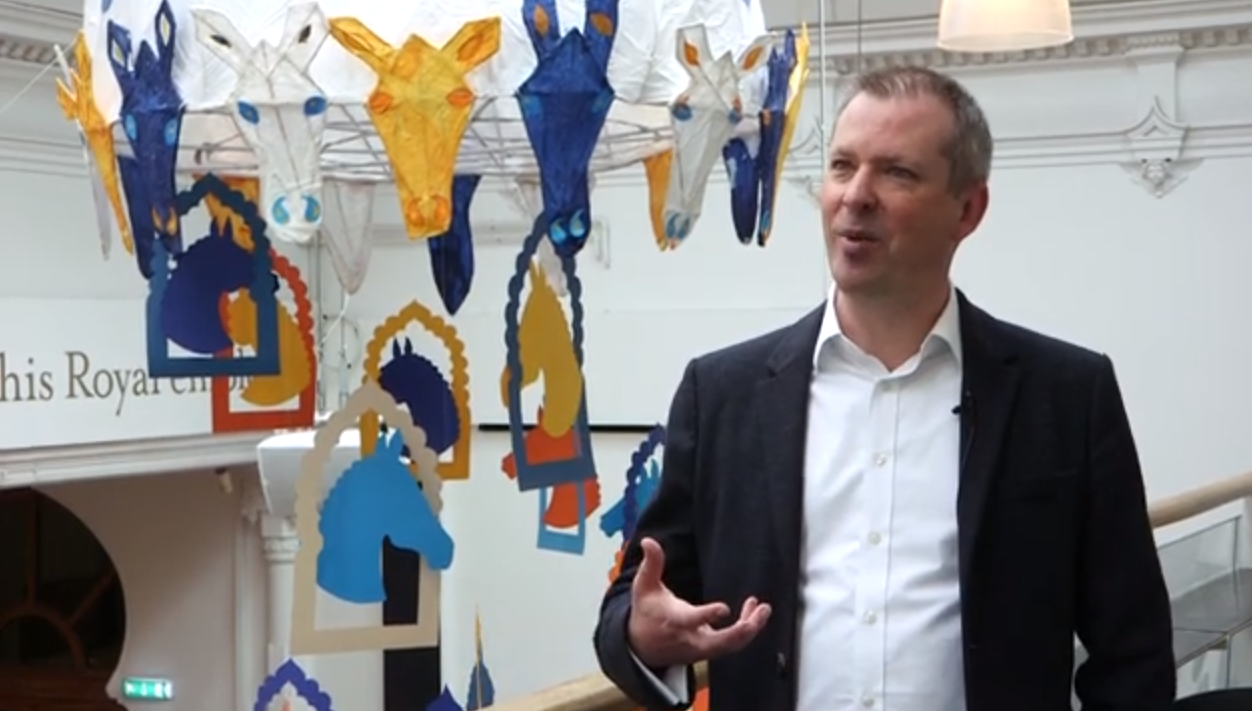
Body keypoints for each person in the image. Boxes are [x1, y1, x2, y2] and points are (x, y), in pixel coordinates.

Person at [593, 65, 1175, 711]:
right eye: (843, 166)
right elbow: (638, 601)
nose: (856, 195)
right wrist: (639, 633)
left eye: (897, 172)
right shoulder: (722, 394)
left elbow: (1133, 653)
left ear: (967, 209)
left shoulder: (1066, 397)